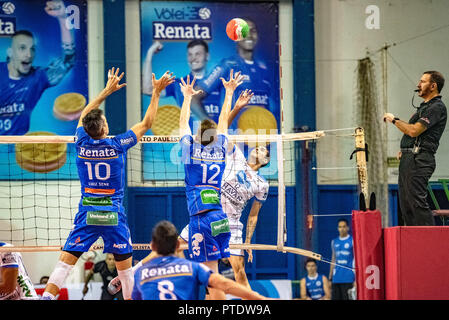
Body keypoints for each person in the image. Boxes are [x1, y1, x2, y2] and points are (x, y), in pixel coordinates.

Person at [41, 67, 175, 300]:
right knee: (125, 277)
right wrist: (156, 92)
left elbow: (84, 115)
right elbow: (147, 122)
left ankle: (45, 297)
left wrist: (105, 91)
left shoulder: (81, 141)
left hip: (88, 213)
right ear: (104, 128)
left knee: (63, 267)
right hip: (113, 215)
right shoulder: (117, 145)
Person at [178, 69, 244, 300]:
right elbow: (224, 122)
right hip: (219, 218)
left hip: (202, 220)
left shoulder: (190, 149)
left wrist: (187, 96)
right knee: (211, 277)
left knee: (211, 278)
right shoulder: (220, 149)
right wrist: (229, 92)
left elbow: (182, 122)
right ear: (214, 137)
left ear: (198, 135)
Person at [131, 220, 266, 300]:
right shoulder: (193, 268)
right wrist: (260, 298)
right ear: (178, 245)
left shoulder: (140, 274)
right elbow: (226, 286)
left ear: (152, 246)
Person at [0, 0, 76, 135]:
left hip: (17, 147)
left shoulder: (37, 78)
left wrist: (63, 18)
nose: (28, 54)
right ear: (10, 52)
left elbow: (68, 61)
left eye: (32, 49)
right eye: (22, 48)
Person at [383, 71, 447, 226]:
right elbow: (414, 136)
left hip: (420, 160)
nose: (418, 85)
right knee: (406, 205)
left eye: (423, 82)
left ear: (433, 86)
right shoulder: (424, 108)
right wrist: (406, 149)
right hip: (409, 159)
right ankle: (413, 243)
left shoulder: (437, 107)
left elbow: (413, 130)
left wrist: (394, 120)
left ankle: (427, 243)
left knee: (416, 203)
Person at [194, 19, 275, 132]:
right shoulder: (227, 65)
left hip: (262, 143)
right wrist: (208, 124)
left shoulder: (264, 69)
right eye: (245, 31)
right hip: (235, 143)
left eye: (253, 31)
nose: (250, 35)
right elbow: (194, 97)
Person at [142, 39, 219, 123]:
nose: (193, 58)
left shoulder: (219, 81)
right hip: (190, 136)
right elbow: (148, 89)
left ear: (207, 56)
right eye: (190, 54)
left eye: (198, 54)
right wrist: (150, 53)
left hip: (219, 135)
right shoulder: (178, 84)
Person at [328, 219, 355, 300]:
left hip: (348, 278)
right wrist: (330, 278)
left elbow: (356, 259)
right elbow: (333, 260)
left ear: (348, 228)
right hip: (336, 278)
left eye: (344, 226)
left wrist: (356, 279)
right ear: (337, 228)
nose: (342, 229)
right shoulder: (334, 242)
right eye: (340, 227)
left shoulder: (352, 241)